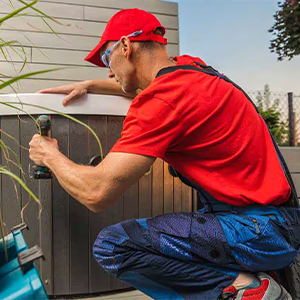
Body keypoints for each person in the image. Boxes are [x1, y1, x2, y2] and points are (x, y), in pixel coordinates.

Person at [29, 8, 300, 300]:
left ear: (125, 46)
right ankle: (247, 281)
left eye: (108, 59)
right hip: (278, 227)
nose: (108, 71)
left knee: (114, 246)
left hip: (254, 231)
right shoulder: (192, 70)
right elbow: (141, 84)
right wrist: (90, 86)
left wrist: (50, 156)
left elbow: (97, 192)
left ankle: (252, 293)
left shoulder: (162, 101)